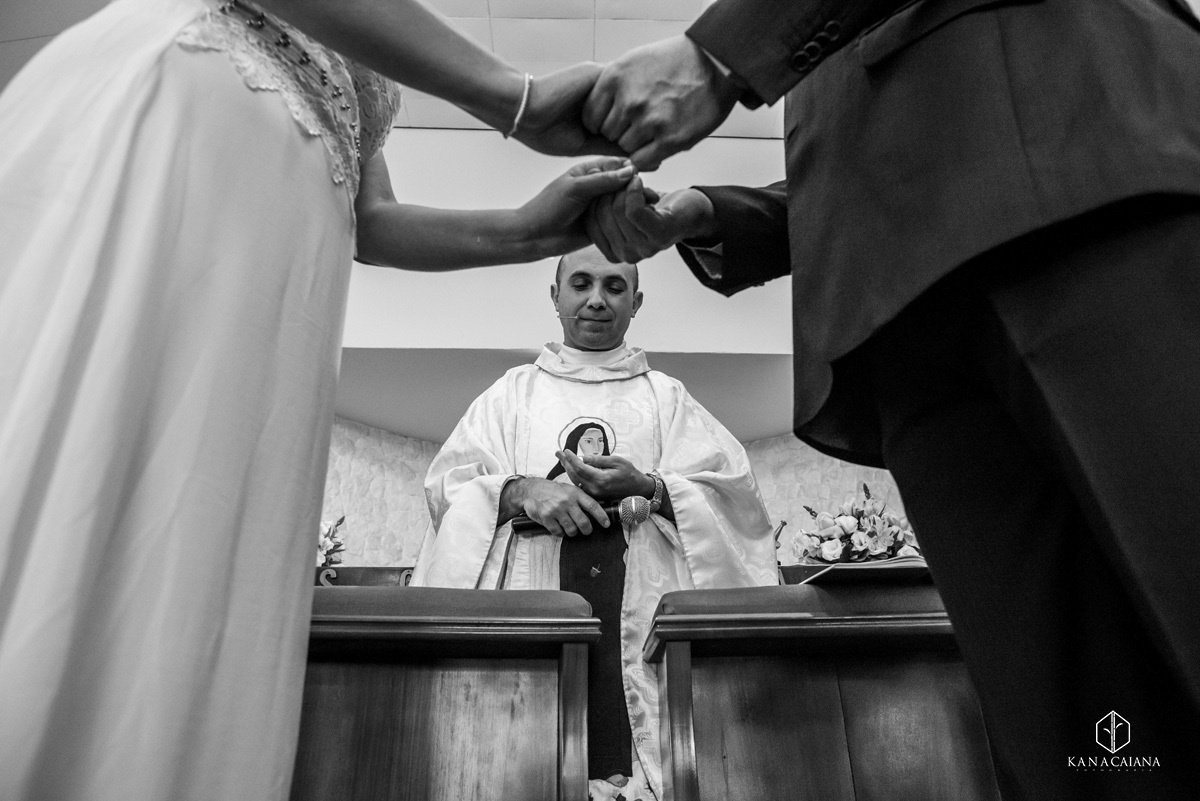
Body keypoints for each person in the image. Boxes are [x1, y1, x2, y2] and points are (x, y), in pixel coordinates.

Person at [0, 1, 635, 798]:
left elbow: (373, 219)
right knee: (116, 466)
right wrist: (516, 99)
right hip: (212, 119)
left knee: (211, 524)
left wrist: (527, 231)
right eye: (579, 277)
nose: (597, 297)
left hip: (298, 239)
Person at [581, 1, 1200, 798]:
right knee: (1078, 735)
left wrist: (718, 59)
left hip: (1087, 164)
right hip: (904, 314)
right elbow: (893, 127)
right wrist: (719, 215)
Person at [412, 247, 777, 801]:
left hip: (645, 616)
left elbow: (733, 496)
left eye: (614, 286)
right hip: (535, 615)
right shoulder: (511, 394)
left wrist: (651, 487)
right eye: (581, 283)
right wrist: (520, 491)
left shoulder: (667, 398)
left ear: (636, 301)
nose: (597, 299)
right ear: (555, 295)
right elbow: (448, 488)